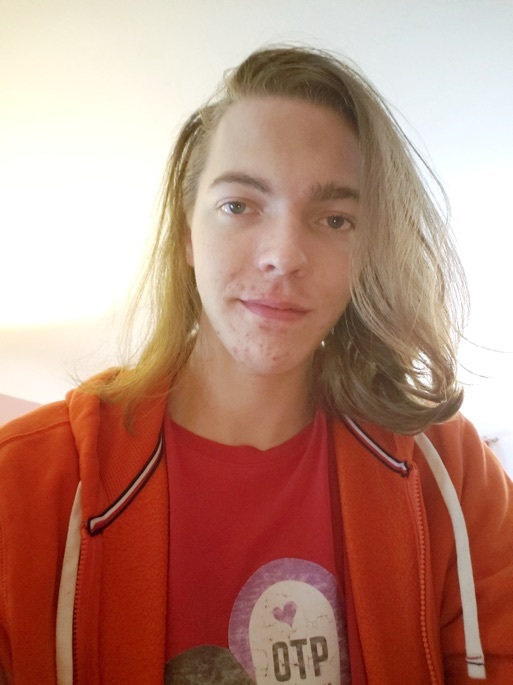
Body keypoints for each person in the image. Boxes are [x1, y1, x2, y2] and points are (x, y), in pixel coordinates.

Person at [0, 45, 511, 685]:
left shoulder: (451, 472)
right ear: (187, 234)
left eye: (335, 218)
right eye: (239, 205)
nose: (283, 255)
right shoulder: (24, 482)